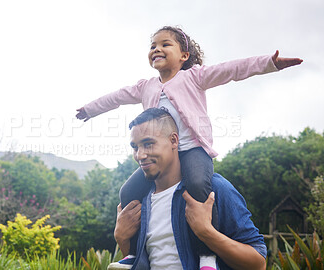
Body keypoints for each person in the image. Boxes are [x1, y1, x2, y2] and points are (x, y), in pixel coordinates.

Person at [76, 25, 302, 267]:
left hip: (193, 149)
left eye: (165, 44)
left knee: (197, 185)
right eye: (153, 45)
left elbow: (232, 70)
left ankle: (206, 256)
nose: (157, 49)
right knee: (127, 192)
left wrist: (269, 63)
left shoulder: (194, 77)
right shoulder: (146, 86)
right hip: (164, 157)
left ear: (184, 55)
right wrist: (90, 109)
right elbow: (118, 97)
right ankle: (133, 255)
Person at [110, 108, 267, 270]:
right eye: (135, 147)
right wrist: (122, 239)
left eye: (148, 144)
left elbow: (259, 263)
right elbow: (140, 265)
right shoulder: (140, 202)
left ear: (174, 140)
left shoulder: (213, 190)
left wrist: (206, 232)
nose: (140, 155)